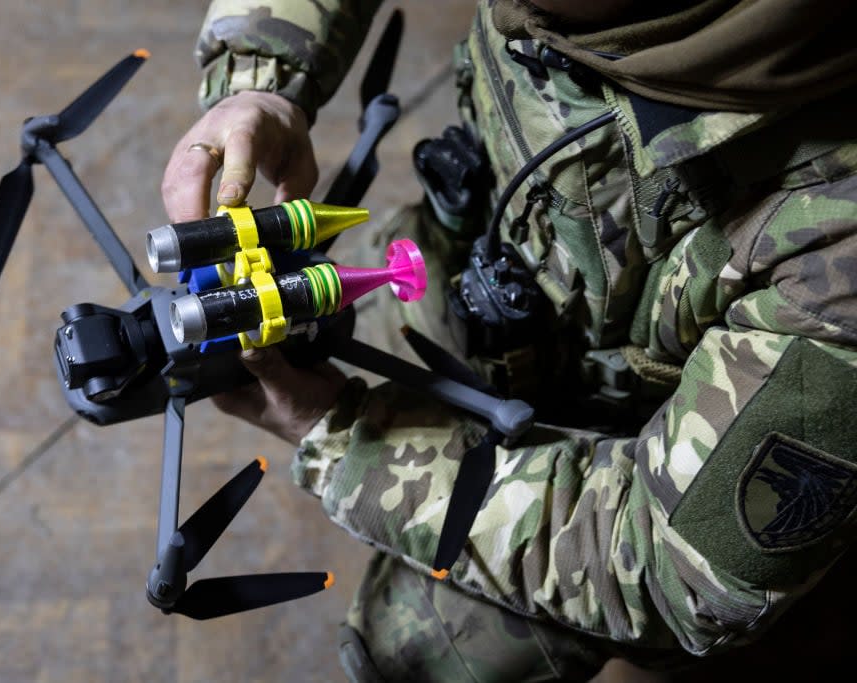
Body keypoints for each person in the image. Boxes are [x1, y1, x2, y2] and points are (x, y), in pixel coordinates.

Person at [161, 0, 857, 680]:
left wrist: (346, 442)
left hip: (634, 446)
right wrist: (259, 82)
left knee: (414, 652)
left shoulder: (836, 233)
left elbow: (672, 569)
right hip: (487, 274)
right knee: (345, 315)